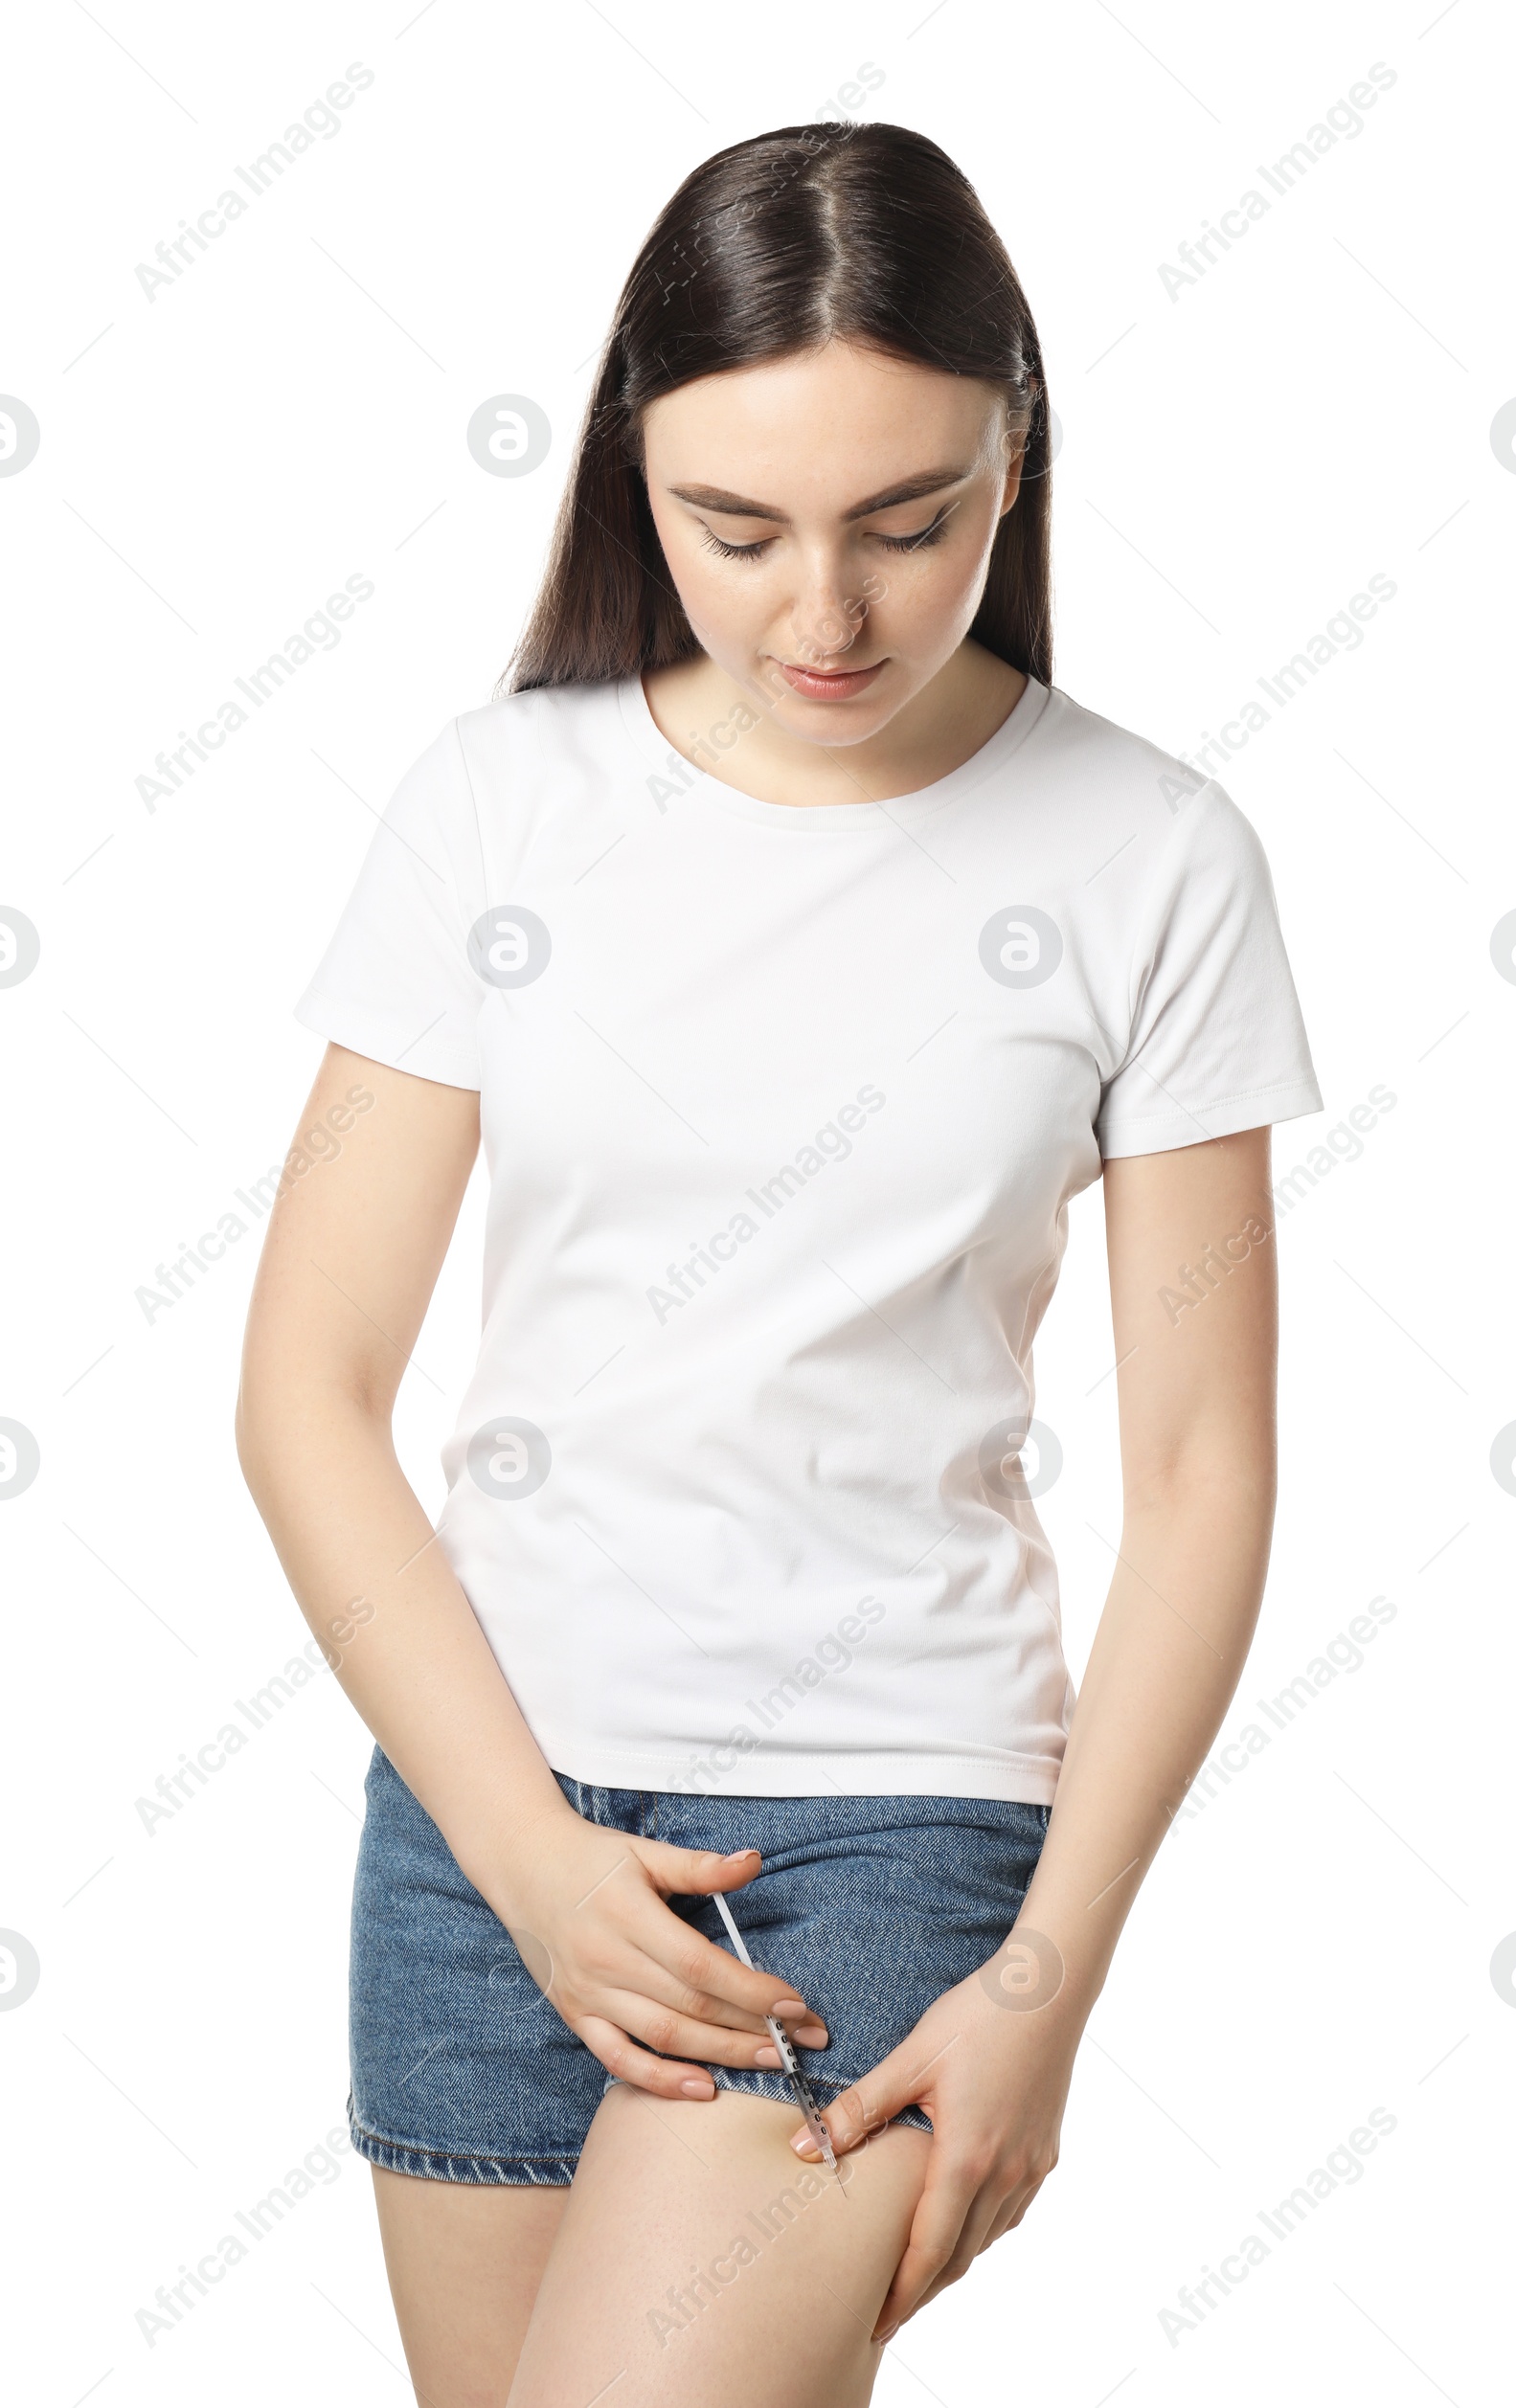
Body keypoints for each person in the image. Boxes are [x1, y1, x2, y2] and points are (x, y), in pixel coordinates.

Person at [237, 119, 1324, 2408]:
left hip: (883, 1816)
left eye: (902, 523)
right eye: (732, 530)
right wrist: (521, 1860)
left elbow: (1205, 1472)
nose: (818, 613)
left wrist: (1049, 1979)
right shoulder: (491, 809)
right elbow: (304, 1392)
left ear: (1011, 458)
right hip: (480, 1819)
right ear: (630, 469)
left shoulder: (1152, 858)